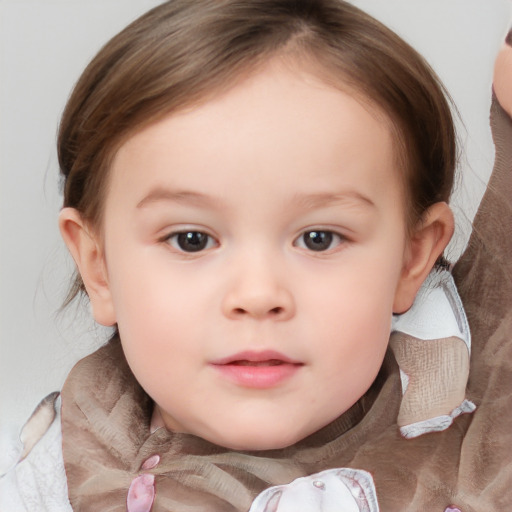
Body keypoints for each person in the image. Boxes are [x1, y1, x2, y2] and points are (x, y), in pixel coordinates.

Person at [1, 1, 510, 510]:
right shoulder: (59, 480)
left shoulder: (468, 443)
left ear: (410, 259)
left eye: (319, 238)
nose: (258, 295)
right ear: (99, 268)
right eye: (191, 240)